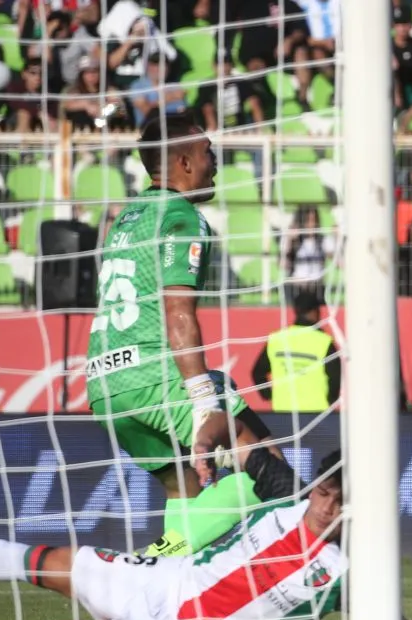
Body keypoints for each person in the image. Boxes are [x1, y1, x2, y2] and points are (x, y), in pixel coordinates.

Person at [0, 450, 412, 620]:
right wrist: (208, 421)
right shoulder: (287, 494)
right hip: (168, 579)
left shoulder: (349, 567)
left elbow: (385, 616)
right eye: (324, 494)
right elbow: (246, 442)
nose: (325, 506)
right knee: (57, 561)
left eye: (339, 501)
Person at [86, 112, 284, 560]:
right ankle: (146, 563)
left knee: (187, 490)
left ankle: (169, 608)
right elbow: (178, 312)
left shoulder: (128, 217)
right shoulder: (182, 216)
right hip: (158, 377)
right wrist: (201, 399)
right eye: (208, 152)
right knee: (271, 474)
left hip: (105, 384)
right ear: (184, 163)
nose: (215, 161)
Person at [251, 290, 342, 412]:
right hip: (317, 413)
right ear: (315, 312)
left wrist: (269, 395)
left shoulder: (277, 339)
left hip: (283, 412)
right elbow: (335, 378)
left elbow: (257, 373)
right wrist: (331, 400)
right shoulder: (324, 341)